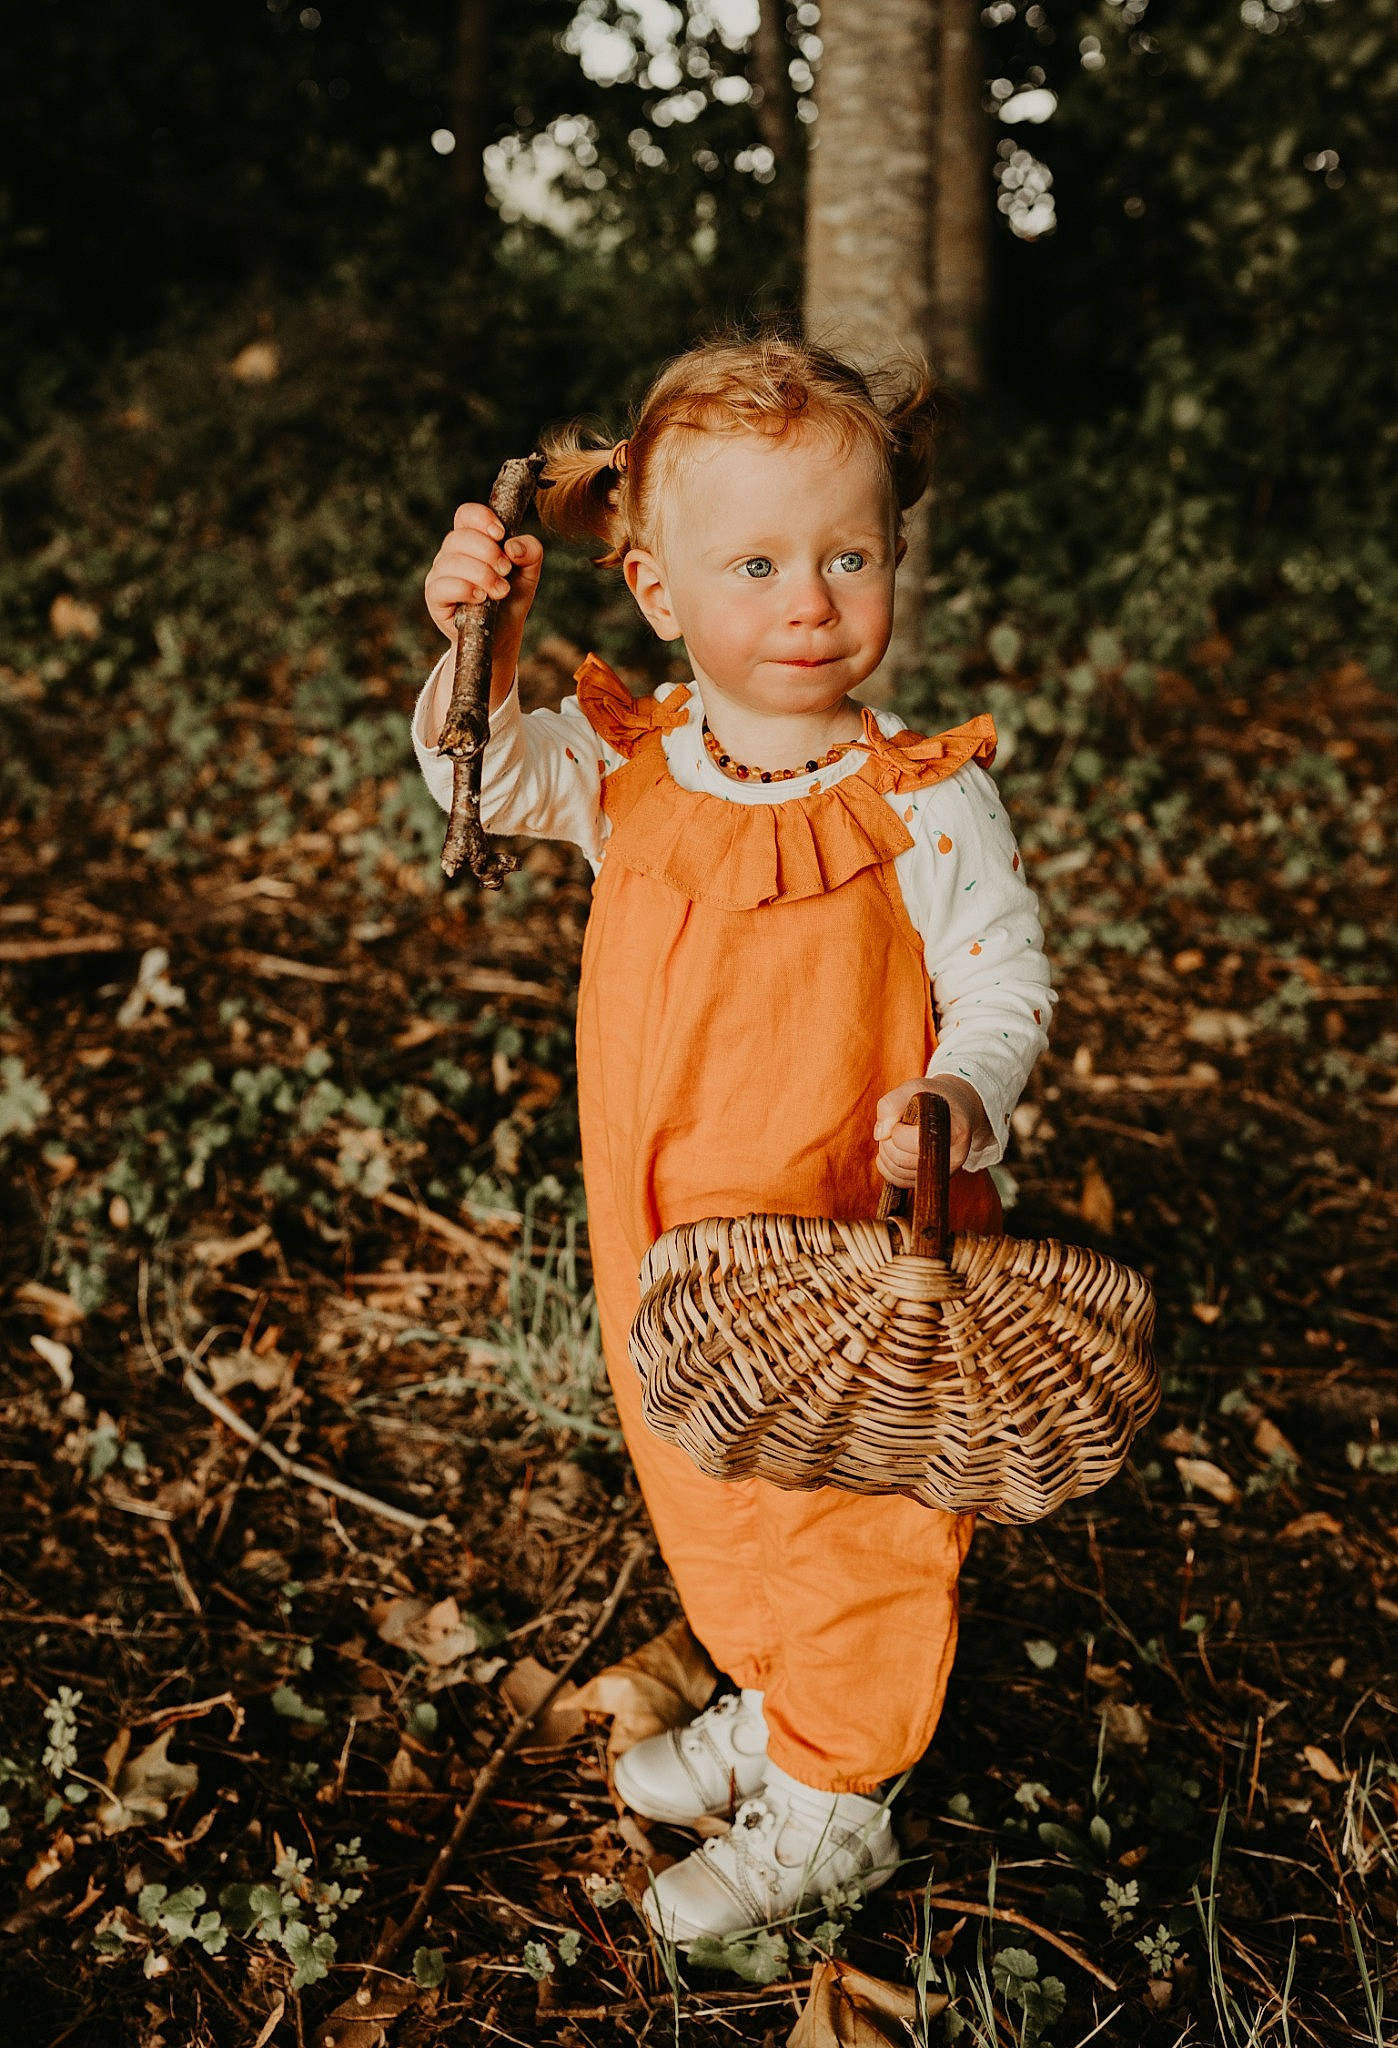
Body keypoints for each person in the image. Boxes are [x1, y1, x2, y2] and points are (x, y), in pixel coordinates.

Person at [412, 333, 1056, 1941]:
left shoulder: (917, 799)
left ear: (893, 558)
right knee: (707, 1487)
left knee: (850, 1510)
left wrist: (960, 1095)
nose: (808, 602)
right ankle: (774, 1695)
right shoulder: (631, 765)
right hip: (667, 1237)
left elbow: (1002, 976)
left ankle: (839, 1793)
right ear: (653, 589)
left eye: (849, 556)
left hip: (848, 1244)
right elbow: (475, 774)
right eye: (755, 564)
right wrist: (481, 648)